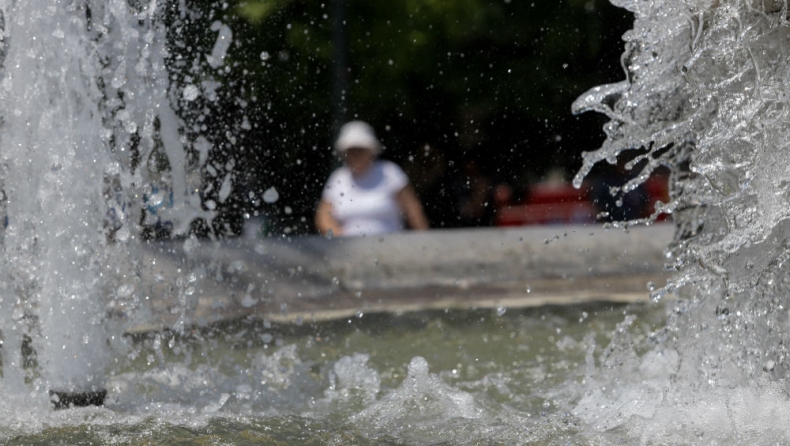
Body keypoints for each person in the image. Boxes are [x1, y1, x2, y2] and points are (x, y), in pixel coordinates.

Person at [315, 121, 429, 237]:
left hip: (392, 246)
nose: (355, 154)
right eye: (351, 150)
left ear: (371, 150)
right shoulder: (338, 178)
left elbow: (413, 210)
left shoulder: (390, 172)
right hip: (350, 250)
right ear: (344, 153)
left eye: (360, 150)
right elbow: (323, 216)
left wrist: (424, 242)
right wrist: (337, 238)